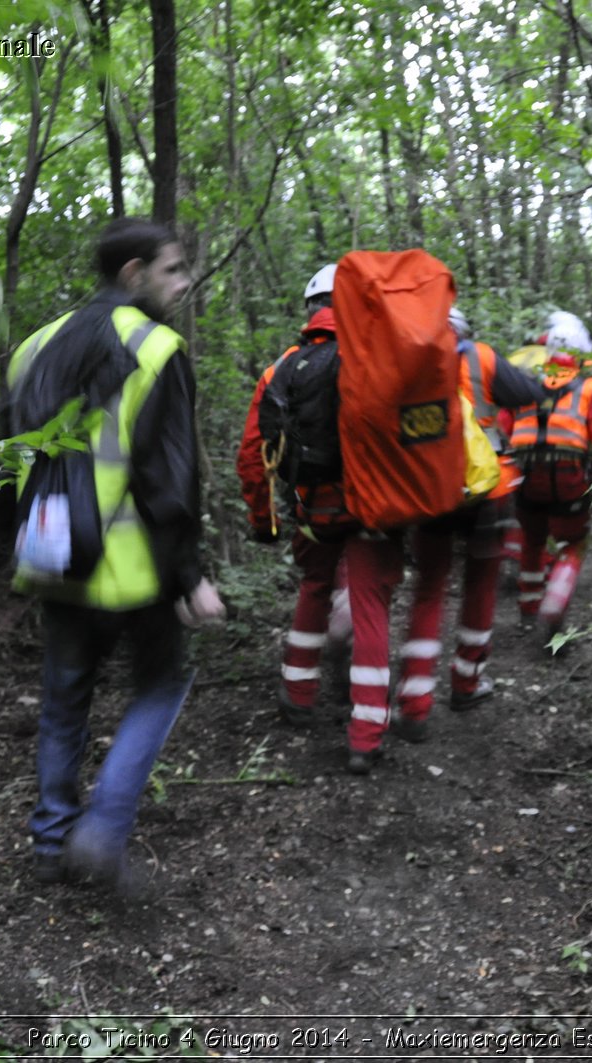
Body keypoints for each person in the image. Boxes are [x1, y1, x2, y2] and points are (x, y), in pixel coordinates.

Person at [3, 217, 225, 893]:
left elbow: (1, 464)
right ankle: (101, 828)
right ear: (133, 275)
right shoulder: (157, 348)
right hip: (133, 565)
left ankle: (49, 843)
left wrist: (10, 553)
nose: (185, 284)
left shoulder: (33, 347)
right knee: (159, 686)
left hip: (51, 555)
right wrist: (189, 575)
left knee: (63, 700)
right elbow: (170, 477)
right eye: (173, 270)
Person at [238, 264, 403, 775]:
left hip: (313, 509)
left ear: (310, 311)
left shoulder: (281, 370)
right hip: (373, 510)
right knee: (369, 607)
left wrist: (264, 522)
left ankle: (298, 696)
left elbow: (252, 456)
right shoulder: (377, 362)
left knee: (314, 587)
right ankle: (365, 736)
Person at [391, 308, 547, 739]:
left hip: (430, 494)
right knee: (480, 585)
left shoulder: (407, 364)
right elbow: (530, 392)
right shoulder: (480, 357)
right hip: (488, 492)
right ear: (462, 330)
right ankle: (467, 681)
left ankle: (414, 702)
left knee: (428, 590)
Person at [508, 311, 592, 651]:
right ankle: (555, 604)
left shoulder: (525, 380)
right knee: (572, 543)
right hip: (569, 475)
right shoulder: (588, 387)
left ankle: (529, 608)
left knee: (532, 540)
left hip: (526, 474)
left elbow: (504, 422)